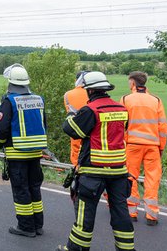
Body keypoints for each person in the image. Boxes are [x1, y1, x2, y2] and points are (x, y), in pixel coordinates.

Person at [57, 71, 134, 251]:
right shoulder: (121, 109)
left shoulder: (90, 110)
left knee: (85, 215)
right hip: (118, 172)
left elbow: (72, 130)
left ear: (89, 91)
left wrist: (70, 115)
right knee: (120, 212)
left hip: (93, 172)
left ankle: (75, 249)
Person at [0, 64, 47, 238]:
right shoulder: (39, 99)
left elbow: (2, 129)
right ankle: (38, 224)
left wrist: (2, 142)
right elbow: (43, 124)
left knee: (21, 189)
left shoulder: (9, 101)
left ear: (10, 82)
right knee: (34, 188)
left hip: (17, 153)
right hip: (36, 153)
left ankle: (26, 227)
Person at [121, 71, 167, 225]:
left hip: (132, 145)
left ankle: (131, 212)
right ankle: (151, 215)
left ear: (133, 83)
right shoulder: (156, 100)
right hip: (153, 146)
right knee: (152, 179)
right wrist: (161, 147)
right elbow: (163, 127)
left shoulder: (126, 99)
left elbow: (121, 125)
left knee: (130, 177)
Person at [64, 72, 89, 167]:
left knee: (76, 158)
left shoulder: (67, 94)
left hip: (74, 130)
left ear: (76, 80)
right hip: (92, 130)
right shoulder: (93, 92)